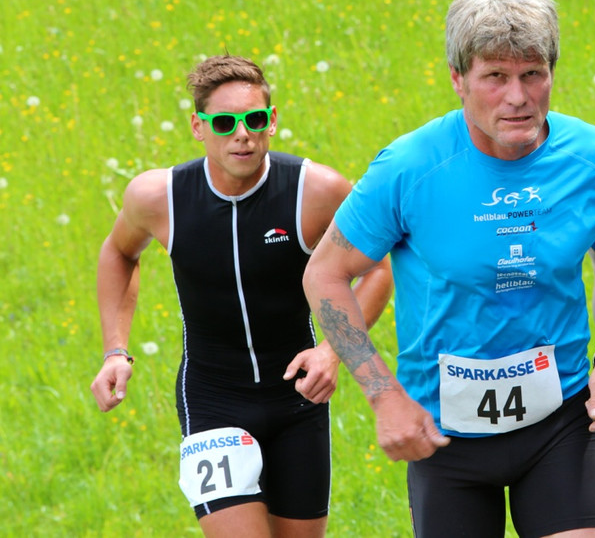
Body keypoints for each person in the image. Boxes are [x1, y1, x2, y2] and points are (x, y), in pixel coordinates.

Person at [303, 0, 595, 537]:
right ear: (458, 79)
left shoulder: (590, 158)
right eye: (496, 77)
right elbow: (325, 275)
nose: (518, 97)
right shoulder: (408, 169)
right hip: (444, 437)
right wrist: (383, 396)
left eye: (533, 74)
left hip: (559, 420)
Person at [89, 54, 393, 538]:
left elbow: (376, 270)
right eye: (224, 123)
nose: (242, 134)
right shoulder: (158, 198)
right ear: (198, 127)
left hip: (297, 397)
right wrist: (115, 351)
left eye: (254, 119)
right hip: (212, 398)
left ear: (272, 121)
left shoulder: (315, 190)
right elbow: (119, 253)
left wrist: (331, 351)